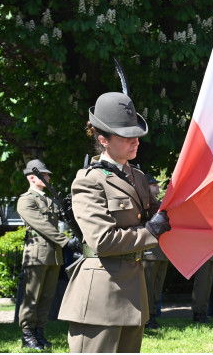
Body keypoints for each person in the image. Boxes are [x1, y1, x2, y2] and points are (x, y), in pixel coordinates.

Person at [58, 92, 171, 353]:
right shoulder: (89, 180)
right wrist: (151, 230)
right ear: (103, 140)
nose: (135, 140)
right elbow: (103, 241)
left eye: (136, 134)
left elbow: (166, 218)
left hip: (134, 294)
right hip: (100, 295)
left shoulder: (139, 177)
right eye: (125, 135)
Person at [16, 159, 82, 350]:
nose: (47, 177)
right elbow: (42, 225)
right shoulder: (26, 200)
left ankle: (39, 333)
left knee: (46, 297)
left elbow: (66, 217)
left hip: (53, 255)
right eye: (44, 175)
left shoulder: (51, 200)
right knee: (32, 297)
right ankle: (27, 335)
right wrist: (66, 241)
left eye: (47, 174)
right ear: (31, 177)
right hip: (37, 253)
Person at [142, 174, 170, 329]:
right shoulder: (143, 204)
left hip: (161, 252)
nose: (158, 187)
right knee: (147, 287)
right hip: (150, 252)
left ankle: (152, 317)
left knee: (156, 287)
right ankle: (145, 318)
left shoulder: (160, 205)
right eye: (154, 185)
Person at [192, 253, 213, 323]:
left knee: (207, 286)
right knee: (201, 285)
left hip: (211, 254)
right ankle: (198, 312)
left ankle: (203, 312)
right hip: (202, 254)